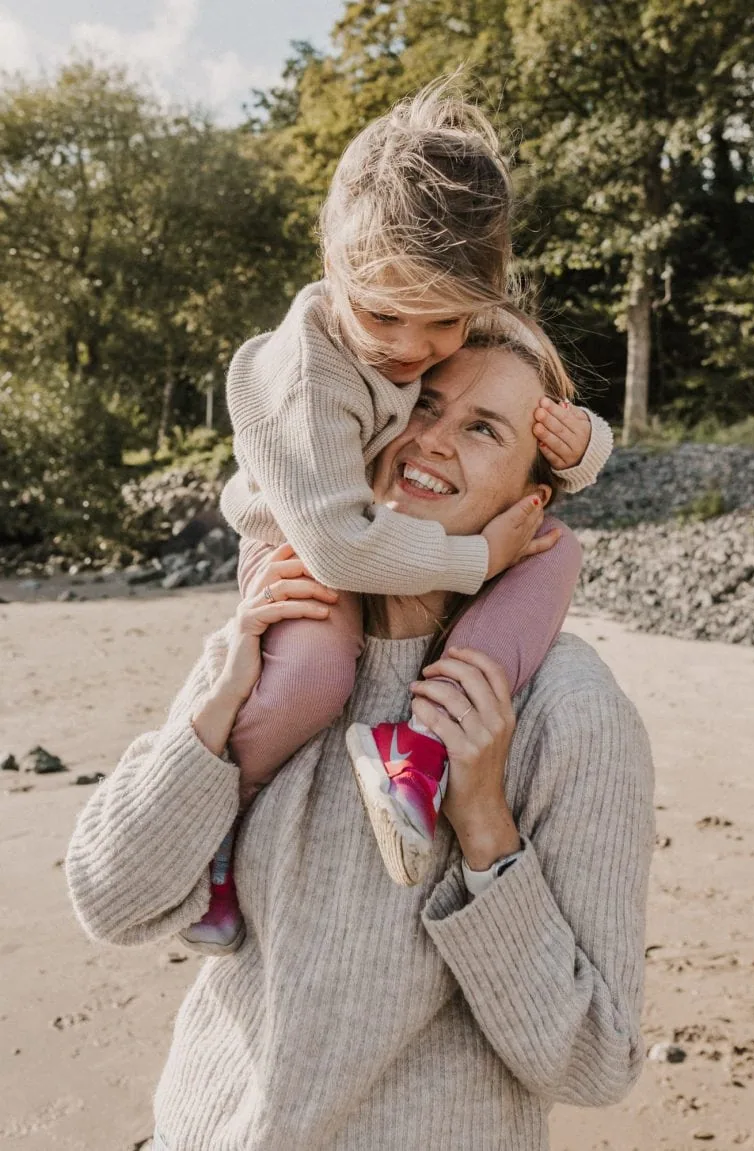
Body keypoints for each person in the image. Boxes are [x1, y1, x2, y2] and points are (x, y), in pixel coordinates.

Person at [66, 335, 654, 1151]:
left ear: (532, 500)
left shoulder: (571, 713)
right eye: (422, 403)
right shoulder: (274, 648)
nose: (433, 439)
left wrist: (486, 832)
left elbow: (597, 1060)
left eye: (485, 429)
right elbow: (108, 900)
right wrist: (212, 727)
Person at [184, 81, 613, 952]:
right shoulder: (312, 377)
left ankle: (420, 742)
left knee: (552, 546)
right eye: (384, 316)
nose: (413, 347)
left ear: (479, 292)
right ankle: (214, 839)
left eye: (446, 323)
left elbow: (529, 387)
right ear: (332, 262)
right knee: (311, 676)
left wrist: (584, 447)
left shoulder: (428, 286)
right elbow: (340, 545)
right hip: (311, 537)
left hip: (378, 534)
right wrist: (475, 560)